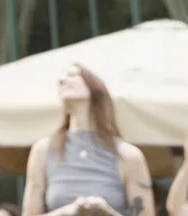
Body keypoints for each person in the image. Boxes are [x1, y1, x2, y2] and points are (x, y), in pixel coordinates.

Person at [22, 63, 153, 216]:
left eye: (72, 75)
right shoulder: (43, 150)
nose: (62, 80)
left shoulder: (128, 155)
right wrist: (68, 212)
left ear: (94, 87)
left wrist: (107, 213)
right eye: (62, 78)